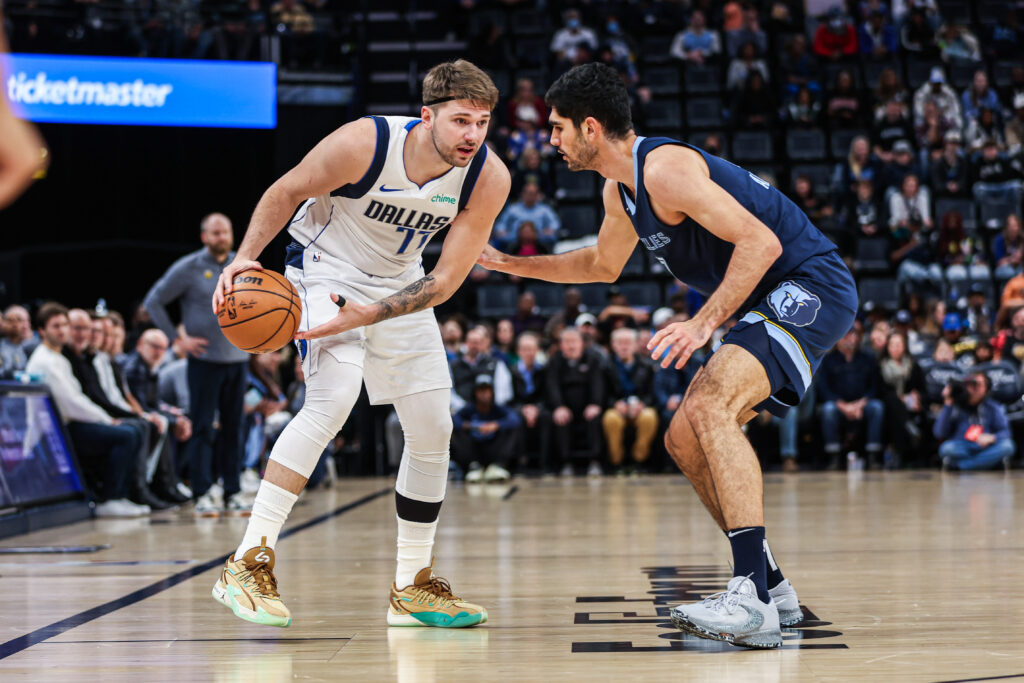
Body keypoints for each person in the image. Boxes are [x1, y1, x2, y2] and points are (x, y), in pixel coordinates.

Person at [477, 63, 858, 648]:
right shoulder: (619, 188)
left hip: (808, 286)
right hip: (763, 299)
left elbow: (763, 242)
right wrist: (509, 263)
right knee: (682, 439)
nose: (549, 139)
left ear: (590, 128)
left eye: (557, 128)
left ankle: (749, 597)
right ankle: (773, 589)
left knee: (709, 405)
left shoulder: (666, 168)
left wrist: (704, 323)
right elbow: (602, 267)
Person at [209, 60, 509, 629]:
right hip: (323, 271)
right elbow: (287, 188)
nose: (473, 134)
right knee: (335, 397)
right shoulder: (366, 143)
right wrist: (245, 256)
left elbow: (444, 281)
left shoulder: (488, 177)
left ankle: (411, 587)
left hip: (401, 283)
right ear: (428, 116)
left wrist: (374, 312)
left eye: (483, 122)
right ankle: (246, 563)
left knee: (433, 428)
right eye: (461, 120)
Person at [144, 213, 252, 517]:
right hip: (203, 361)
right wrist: (178, 340)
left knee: (235, 428)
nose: (221, 238)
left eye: (226, 232)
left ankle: (232, 491)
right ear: (204, 236)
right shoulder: (188, 268)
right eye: (215, 233)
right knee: (203, 427)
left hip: (238, 359)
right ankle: (203, 492)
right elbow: (154, 300)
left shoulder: (241, 265)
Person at [25, 303, 146, 517]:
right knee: (126, 436)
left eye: (64, 325)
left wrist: (105, 419)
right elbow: (72, 404)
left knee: (132, 431)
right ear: (42, 331)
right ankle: (109, 498)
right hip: (55, 433)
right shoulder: (45, 360)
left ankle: (122, 495)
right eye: (56, 326)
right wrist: (106, 420)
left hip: (69, 425)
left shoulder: (58, 357)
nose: (62, 330)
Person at [545, 326, 606, 477]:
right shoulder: (555, 362)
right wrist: (559, 406)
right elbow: (552, 386)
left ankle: (595, 462)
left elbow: (597, 383)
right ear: (561, 345)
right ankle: (566, 463)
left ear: (581, 343)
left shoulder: (592, 359)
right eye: (567, 342)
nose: (571, 345)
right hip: (565, 406)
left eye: (574, 341)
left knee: (595, 417)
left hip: (588, 406)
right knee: (560, 418)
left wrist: (595, 403)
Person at [602, 327, 659, 472]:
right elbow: (601, 394)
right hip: (616, 409)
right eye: (620, 343)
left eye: (628, 342)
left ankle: (638, 460)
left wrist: (643, 404)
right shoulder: (605, 366)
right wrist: (614, 404)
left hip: (639, 408)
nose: (624, 346)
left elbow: (652, 394)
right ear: (613, 345)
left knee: (649, 417)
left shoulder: (647, 366)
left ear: (635, 345)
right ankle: (617, 462)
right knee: (611, 419)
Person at [934, 371, 1015, 471]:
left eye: (978, 384)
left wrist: (992, 437)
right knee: (946, 449)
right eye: (970, 384)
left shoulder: (993, 407)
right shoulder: (955, 405)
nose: (973, 388)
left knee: (1007, 446)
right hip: (962, 445)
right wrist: (948, 402)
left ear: (986, 388)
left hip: (986, 446)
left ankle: (961, 466)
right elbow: (939, 433)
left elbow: (1006, 432)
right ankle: (987, 463)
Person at [452, 375, 520, 483]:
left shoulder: (498, 409)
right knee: (455, 431)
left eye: (487, 390)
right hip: (474, 450)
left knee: (512, 429)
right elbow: (454, 420)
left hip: (494, 449)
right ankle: (473, 467)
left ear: (492, 392)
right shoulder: (469, 409)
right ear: (475, 392)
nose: (484, 394)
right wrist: (472, 426)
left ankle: (498, 466)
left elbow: (515, 419)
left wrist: (496, 425)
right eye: (481, 391)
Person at [0, 305, 38, 379]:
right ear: (3, 323)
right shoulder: (1, 346)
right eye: (10, 320)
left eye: (19, 320)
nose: (15, 324)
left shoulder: (34, 346)